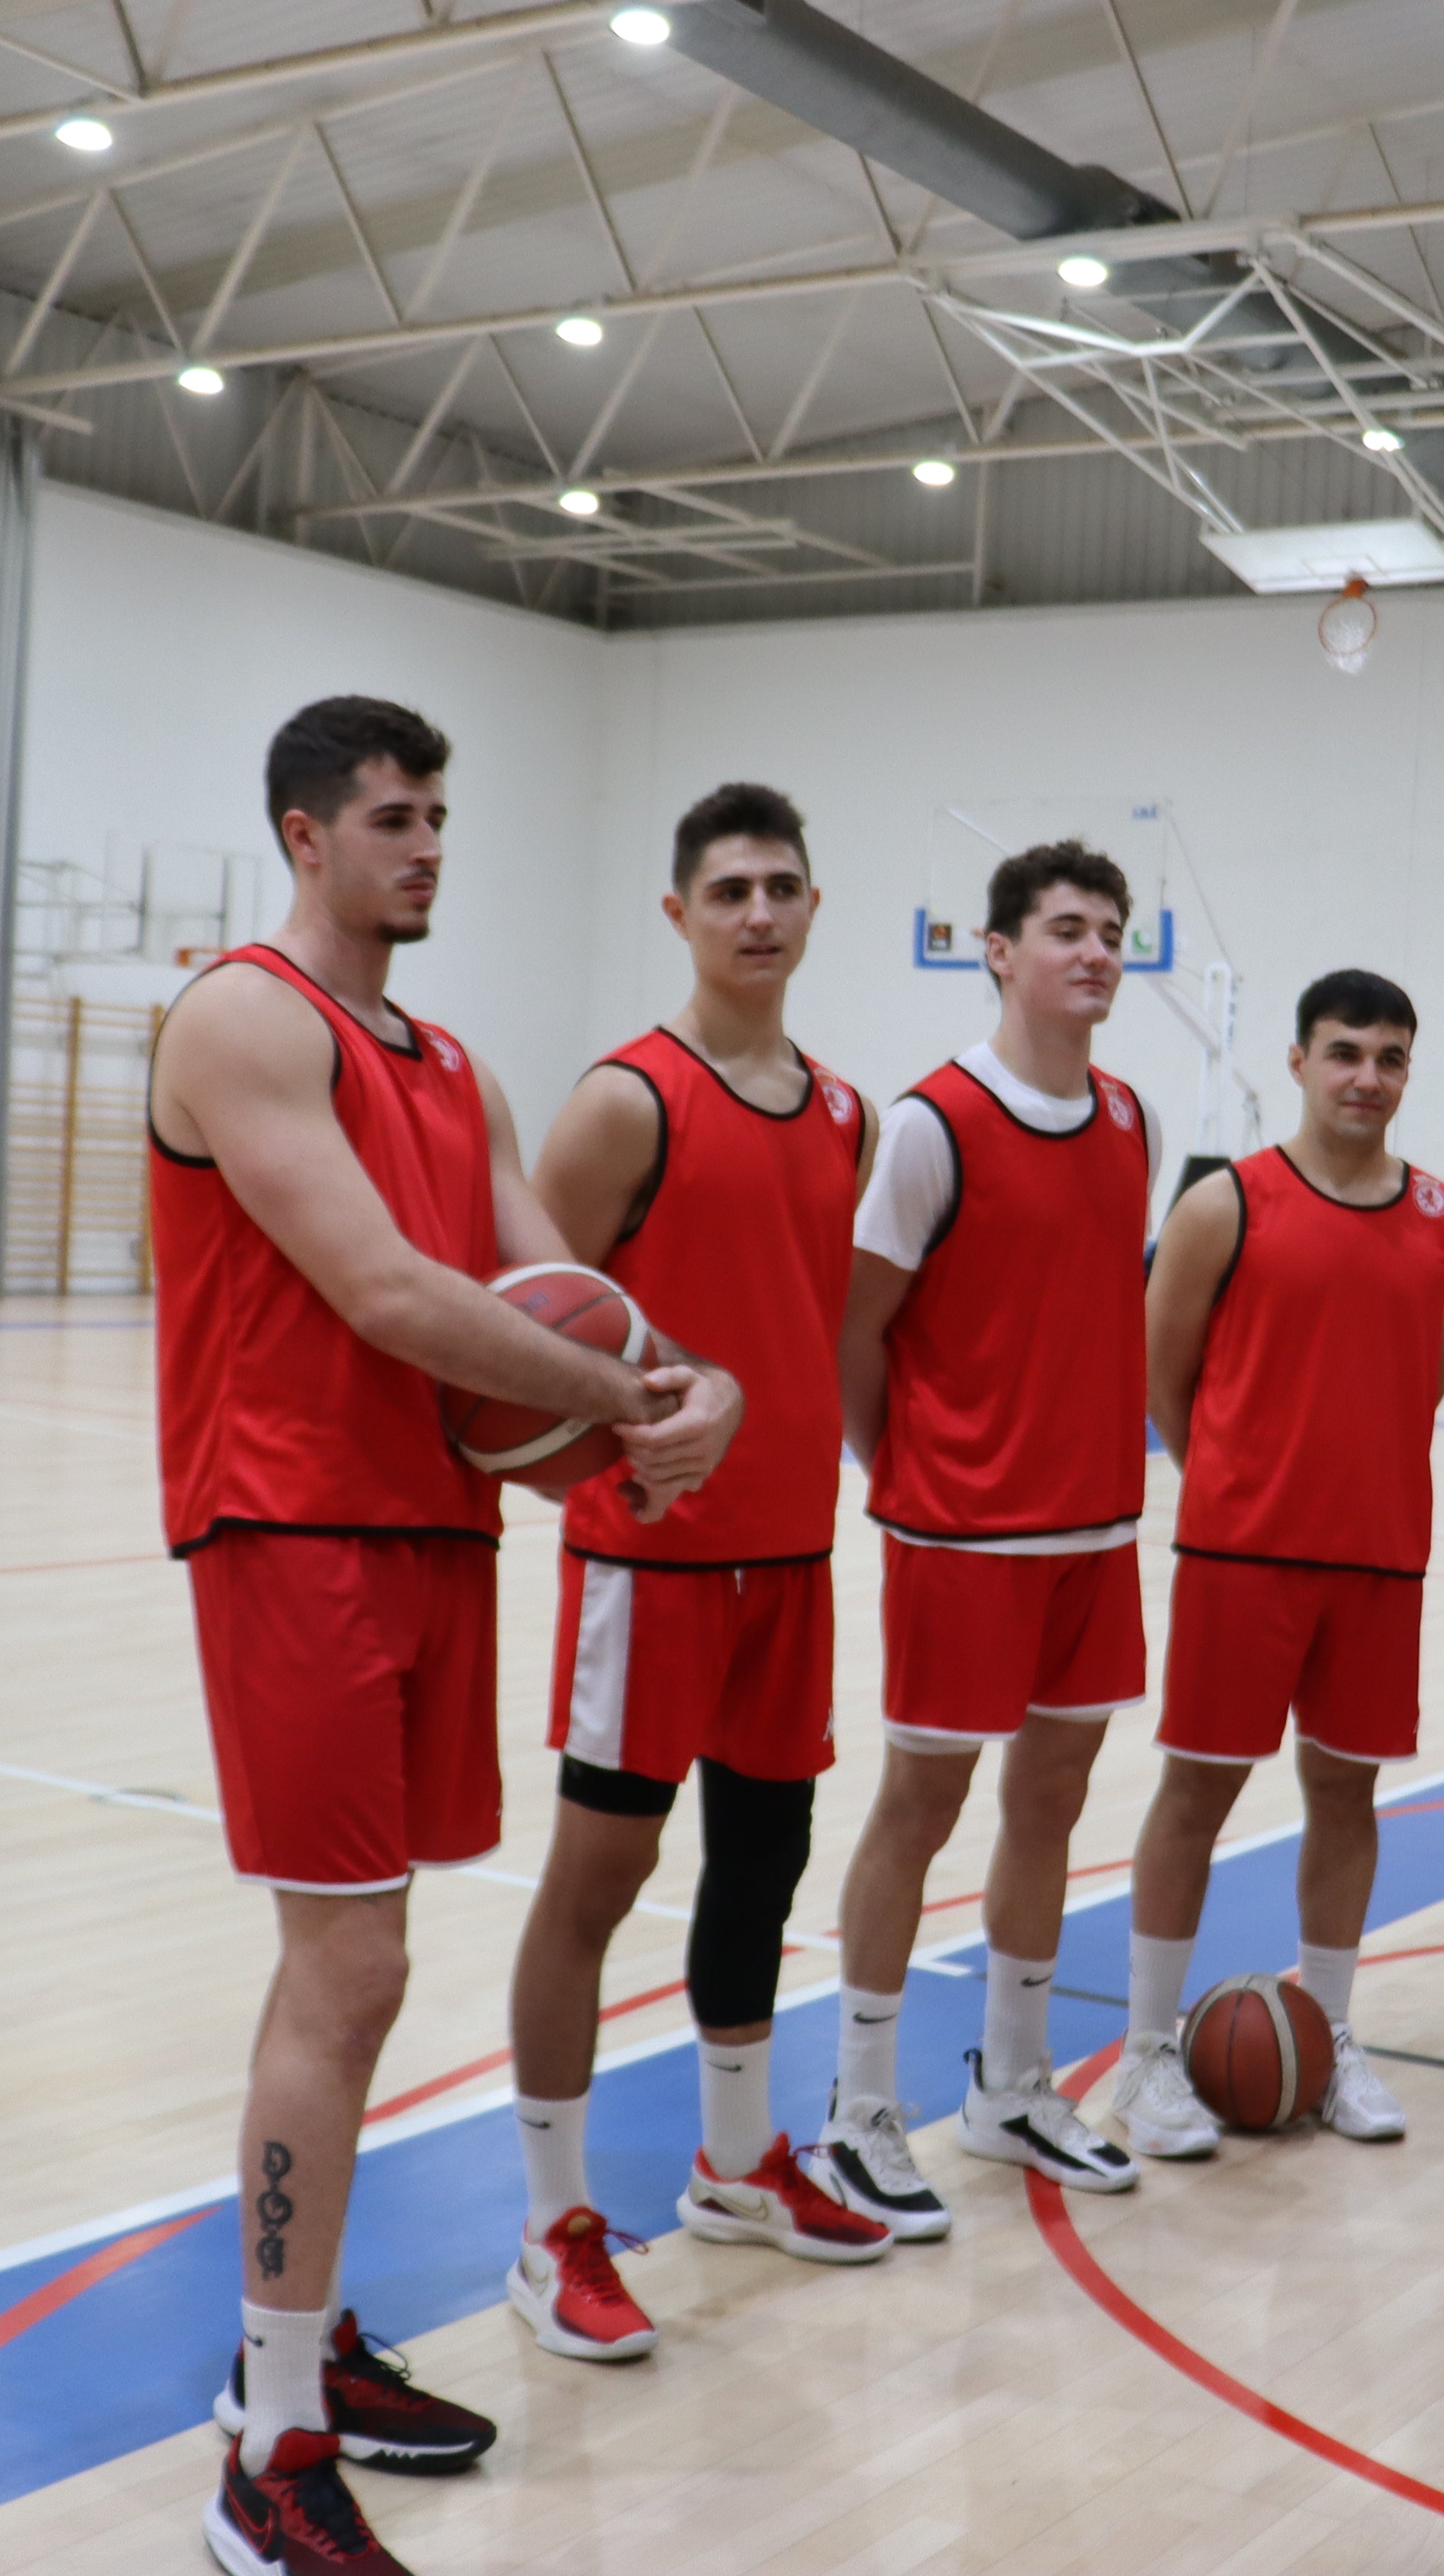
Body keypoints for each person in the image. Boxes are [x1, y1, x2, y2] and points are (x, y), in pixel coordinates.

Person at [147, 695, 739, 2574]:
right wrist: (629, 1386)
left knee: (366, 1972)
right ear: (306, 835)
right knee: (346, 1975)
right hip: (291, 1527)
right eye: (393, 818)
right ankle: (270, 2445)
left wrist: (677, 1378)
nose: (427, 846)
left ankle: (297, 2350)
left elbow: (541, 1287)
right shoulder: (246, 1017)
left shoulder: (459, 1066)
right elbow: (394, 1293)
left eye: (439, 817)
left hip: (429, 1533)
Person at [502, 781, 888, 2358]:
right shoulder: (625, 1100)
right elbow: (526, 1310)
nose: (757, 912)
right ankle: (552, 2223)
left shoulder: (846, 1108)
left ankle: (736, 2162)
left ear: (812, 907)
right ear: (679, 912)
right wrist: (634, 1419)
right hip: (650, 1562)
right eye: (727, 888)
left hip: (793, 1557)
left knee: (762, 1868)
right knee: (598, 1885)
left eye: (782, 885)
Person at [817, 840, 1153, 2224]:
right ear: (999, 951)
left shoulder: (1130, 1112)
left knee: (1055, 1800)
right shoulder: (929, 1123)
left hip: (1097, 1525)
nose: (1094, 951)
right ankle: (857, 2107)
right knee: (923, 1802)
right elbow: (856, 1327)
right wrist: (907, 1467)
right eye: (1066, 928)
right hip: (961, 1531)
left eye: (1112, 932)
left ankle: (1012, 2087)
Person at [1108, 971, 1444, 2156]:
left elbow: (1425, 1374)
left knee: (1346, 1792)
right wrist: (1233, 1474)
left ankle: (1328, 2033)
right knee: (1198, 1796)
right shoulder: (1228, 1204)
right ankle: (1148, 2051)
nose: (1367, 1077)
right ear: (1300, 1062)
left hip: (1378, 1553)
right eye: (1345, 1053)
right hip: (1243, 1549)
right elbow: (1164, 1378)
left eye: (1389, 1057)